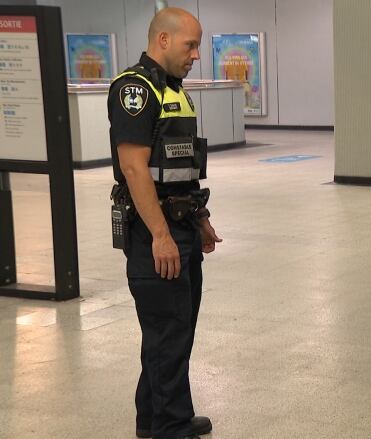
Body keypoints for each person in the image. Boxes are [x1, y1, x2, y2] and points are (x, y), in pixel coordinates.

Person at [107, 8, 221, 439]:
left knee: (173, 331)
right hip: (153, 230)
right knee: (167, 332)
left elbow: (181, 170)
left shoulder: (173, 90)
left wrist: (201, 219)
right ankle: (169, 427)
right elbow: (135, 169)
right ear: (164, 41)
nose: (196, 54)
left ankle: (157, 417)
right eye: (190, 45)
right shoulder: (135, 89)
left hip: (182, 225)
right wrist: (159, 235)